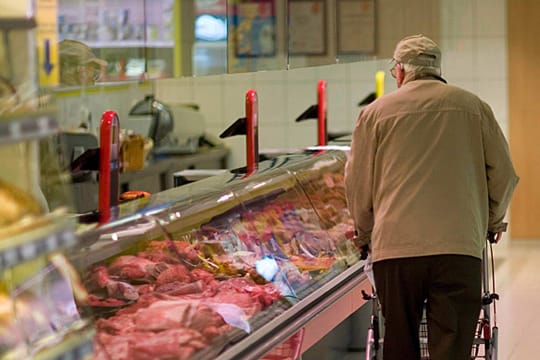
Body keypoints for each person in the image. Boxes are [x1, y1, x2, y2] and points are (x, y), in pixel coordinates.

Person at [344, 34, 519, 360]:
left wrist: (364, 233)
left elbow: (357, 184)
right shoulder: (473, 107)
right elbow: (505, 174)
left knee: (398, 342)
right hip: (459, 248)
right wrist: (493, 221)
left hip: (394, 249)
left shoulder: (374, 113)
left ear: (399, 71)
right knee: (451, 347)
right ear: (437, 69)